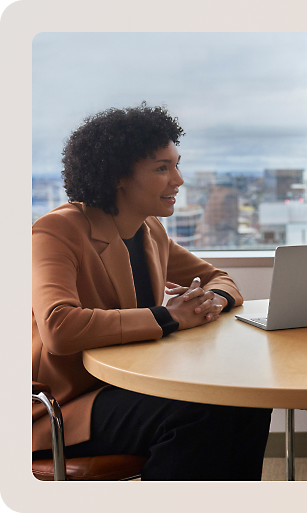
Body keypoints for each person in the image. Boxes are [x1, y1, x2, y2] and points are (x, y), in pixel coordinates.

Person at [32, 103, 272, 480]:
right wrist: (170, 317)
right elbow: (59, 328)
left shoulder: (150, 231)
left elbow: (220, 278)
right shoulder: (57, 231)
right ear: (117, 177)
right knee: (198, 412)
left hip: (128, 383)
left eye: (177, 165)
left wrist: (212, 300)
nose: (178, 179)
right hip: (65, 403)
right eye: (162, 168)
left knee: (248, 399)